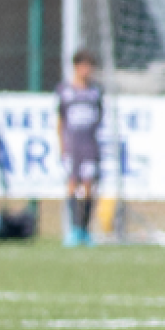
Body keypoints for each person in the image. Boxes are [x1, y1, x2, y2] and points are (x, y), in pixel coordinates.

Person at [56, 50, 104, 247]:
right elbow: (60, 120)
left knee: (89, 186)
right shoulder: (65, 91)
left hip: (89, 145)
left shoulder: (95, 91)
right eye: (83, 66)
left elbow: (99, 117)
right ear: (76, 67)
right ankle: (74, 230)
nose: (87, 70)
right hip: (73, 146)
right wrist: (62, 145)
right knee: (72, 184)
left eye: (90, 66)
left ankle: (85, 230)